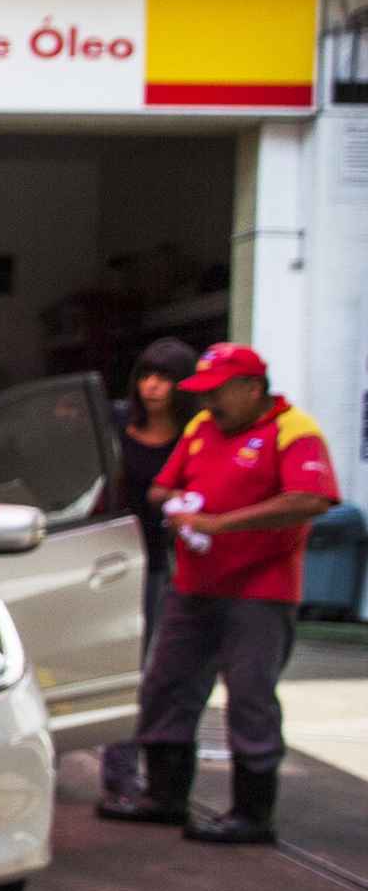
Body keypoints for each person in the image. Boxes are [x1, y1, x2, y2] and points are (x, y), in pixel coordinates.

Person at [99, 343, 339, 844]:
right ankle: (164, 798)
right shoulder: (200, 429)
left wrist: (219, 522)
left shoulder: (293, 429)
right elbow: (161, 488)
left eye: (218, 391)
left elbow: (312, 498)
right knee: (167, 686)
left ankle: (252, 814)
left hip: (260, 591)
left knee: (249, 697)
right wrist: (181, 502)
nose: (208, 402)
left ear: (253, 389)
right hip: (193, 584)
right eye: (203, 392)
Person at [95, 338, 201, 813]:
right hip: (91, 552)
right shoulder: (115, 422)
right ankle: (47, 761)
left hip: (151, 562)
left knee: (139, 669)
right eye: (145, 376)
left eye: (164, 378)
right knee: (69, 658)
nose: (152, 386)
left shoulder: (196, 435)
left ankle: (120, 774)